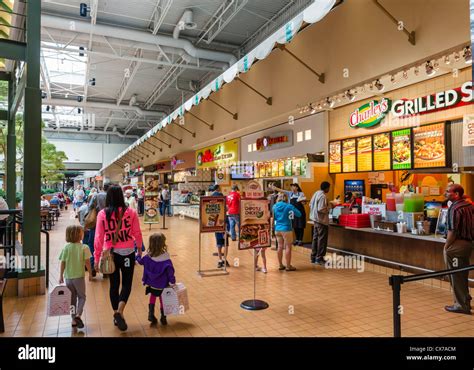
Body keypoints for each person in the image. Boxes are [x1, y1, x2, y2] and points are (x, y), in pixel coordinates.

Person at [94, 185, 143, 331]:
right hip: (128, 252)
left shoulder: (103, 214)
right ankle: (120, 311)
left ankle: (116, 313)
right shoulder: (131, 212)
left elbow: (98, 238)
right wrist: (139, 249)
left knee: (114, 285)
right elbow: (137, 233)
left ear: (108, 197)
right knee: (127, 284)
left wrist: (96, 258)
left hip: (111, 254)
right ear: (122, 196)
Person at [443, 184, 474, 315]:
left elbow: (452, 231)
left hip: (456, 245)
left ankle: (461, 305)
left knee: (455, 275)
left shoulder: (454, 208)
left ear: (456, 194)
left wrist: (446, 246)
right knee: (462, 273)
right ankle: (465, 300)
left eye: (448, 191)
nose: (445, 193)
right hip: (468, 244)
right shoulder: (469, 205)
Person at [136, 233, 176, 326]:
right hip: (163, 284)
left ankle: (151, 314)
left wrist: (137, 255)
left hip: (152, 283)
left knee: (152, 297)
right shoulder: (166, 259)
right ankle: (163, 318)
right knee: (162, 299)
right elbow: (170, 272)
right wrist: (172, 282)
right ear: (162, 244)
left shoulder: (147, 257)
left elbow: (139, 261)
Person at [59, 225, 92, 329]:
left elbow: (62, 263)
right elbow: (87, 263)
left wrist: (61, 275)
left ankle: (73, 319)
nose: (83, 234)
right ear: (79, 235)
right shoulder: (84, 247)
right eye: (81, 232)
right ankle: (78, 315)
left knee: (72, 299)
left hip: (68, 277)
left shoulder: (66, 248)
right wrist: (91, 273)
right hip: (79, 277)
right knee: (82, 297)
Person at [272, 193, 301, 271]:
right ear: (286, 198)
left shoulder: (274, 206)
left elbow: (273, 218)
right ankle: (288, 266)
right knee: (288, 247)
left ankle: (281, 265)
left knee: (280, 246)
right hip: (287, 229)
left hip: (277, 229)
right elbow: (299, 214)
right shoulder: (289, 206)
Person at [309, 181, 332, 265]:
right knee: (322, 240)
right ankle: (320, 258)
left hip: (315, 219)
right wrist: (329, 208)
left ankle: (313, 257)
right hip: (321, 221)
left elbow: (310, 204)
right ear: (326, 188)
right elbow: (321, 209)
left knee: (315, 238)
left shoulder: (316, 193)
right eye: (329, 188)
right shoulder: (322, 196)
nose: (329, 189)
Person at [212, 184, 229, 268]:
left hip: (215, 223)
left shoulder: (211, 197)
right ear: (218, 188)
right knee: (226, 243)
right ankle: (225, 259)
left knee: (219, 243)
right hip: (223, 223)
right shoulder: (221, 196)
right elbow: (226, 208)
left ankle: (220, 260)